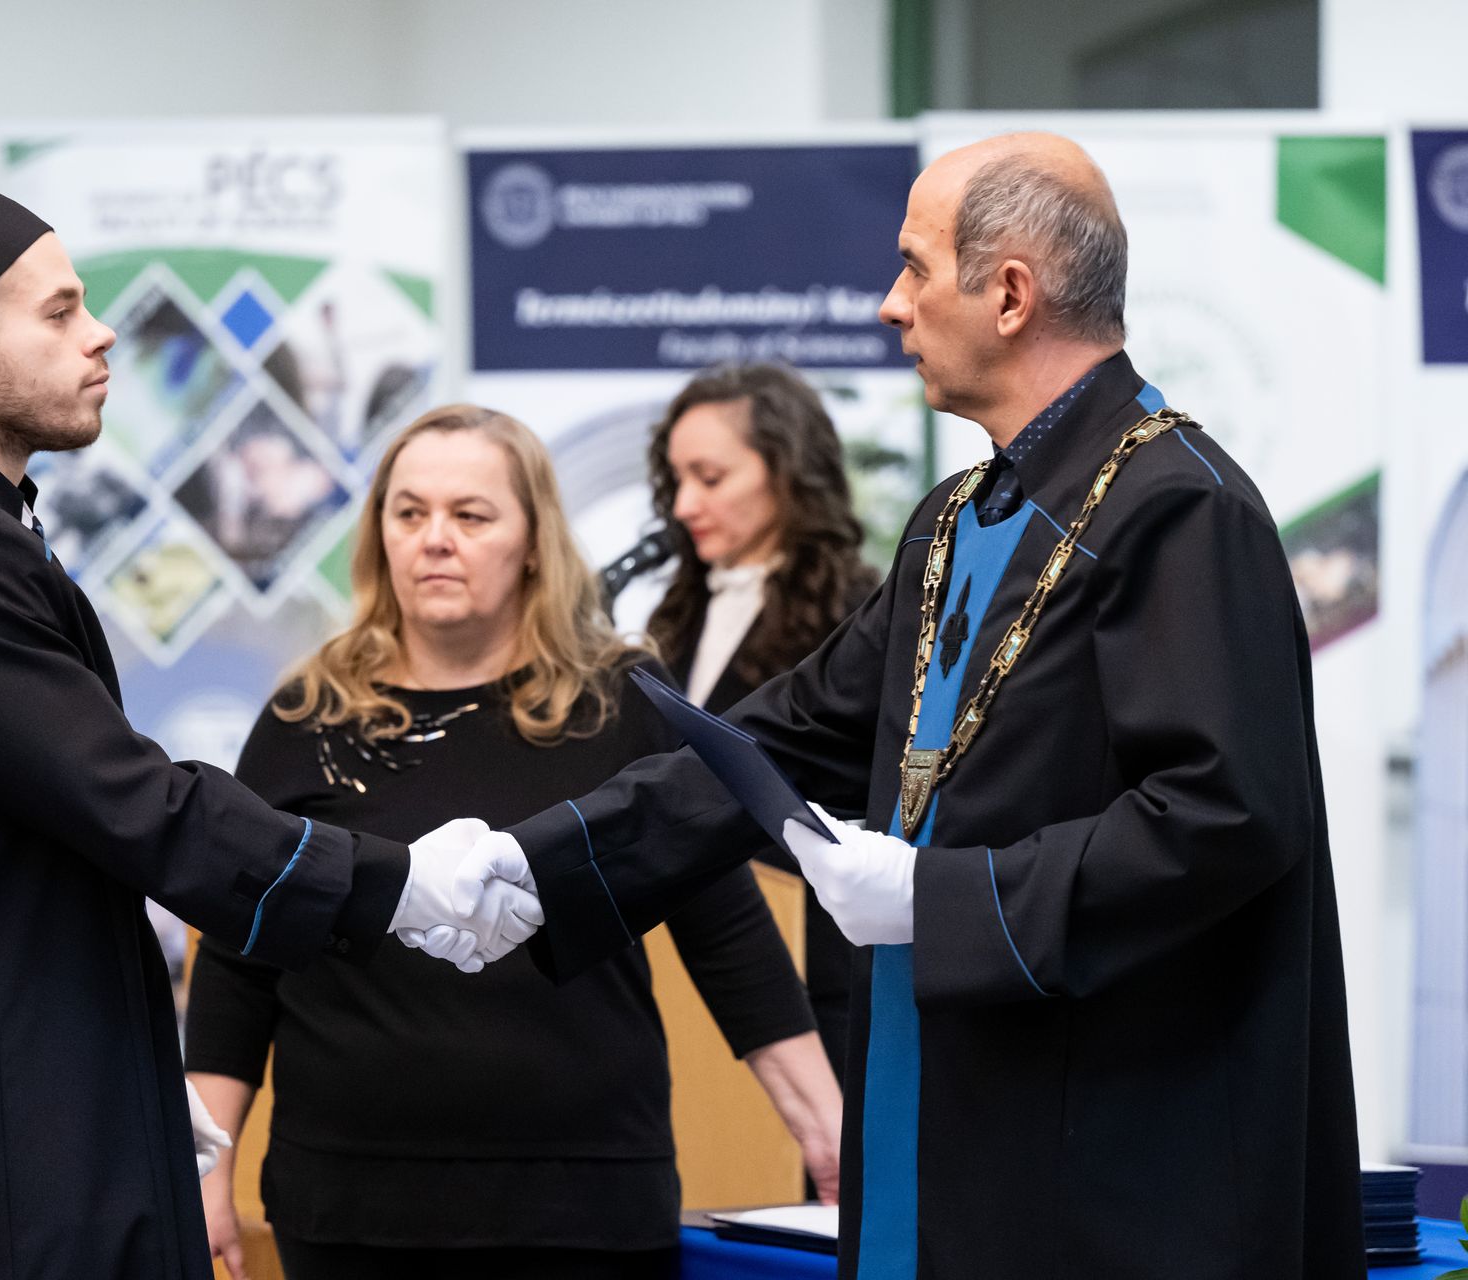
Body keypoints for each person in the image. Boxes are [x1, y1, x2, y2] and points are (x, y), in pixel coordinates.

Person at [458, 132, 1365, 1278]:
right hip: (944, 1101)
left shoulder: (1181, 507)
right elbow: (787, 736)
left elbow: (1224, 817)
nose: (890, 304)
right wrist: (537, 865)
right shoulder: (954, 517)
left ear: (1011, 294)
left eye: (914, 267)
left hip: (1102, 1161)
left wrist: (940, 897)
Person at [0, 124, 538, 1280]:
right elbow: (132, 803)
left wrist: (120, 1070)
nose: (104, 331)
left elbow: (39, 850)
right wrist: (399, 883)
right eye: (61, 311)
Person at [184, 405, 844, 1280]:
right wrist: (206, 1169)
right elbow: (240, 960)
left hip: (585, 1202)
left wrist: (829, 1134)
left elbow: (727, 931)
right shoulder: (307, 715)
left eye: (471, 515)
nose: (435, 539)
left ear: (533, 541)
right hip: (349, 1203)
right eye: (409, 513)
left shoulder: (622, 702)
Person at [645, 361, 878, 1080]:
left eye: (710, 478)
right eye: (676, 480)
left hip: (818, 976)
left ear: (787, 471)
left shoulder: (863, 617)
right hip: (688, 972)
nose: (685, 504)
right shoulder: (674, 618)